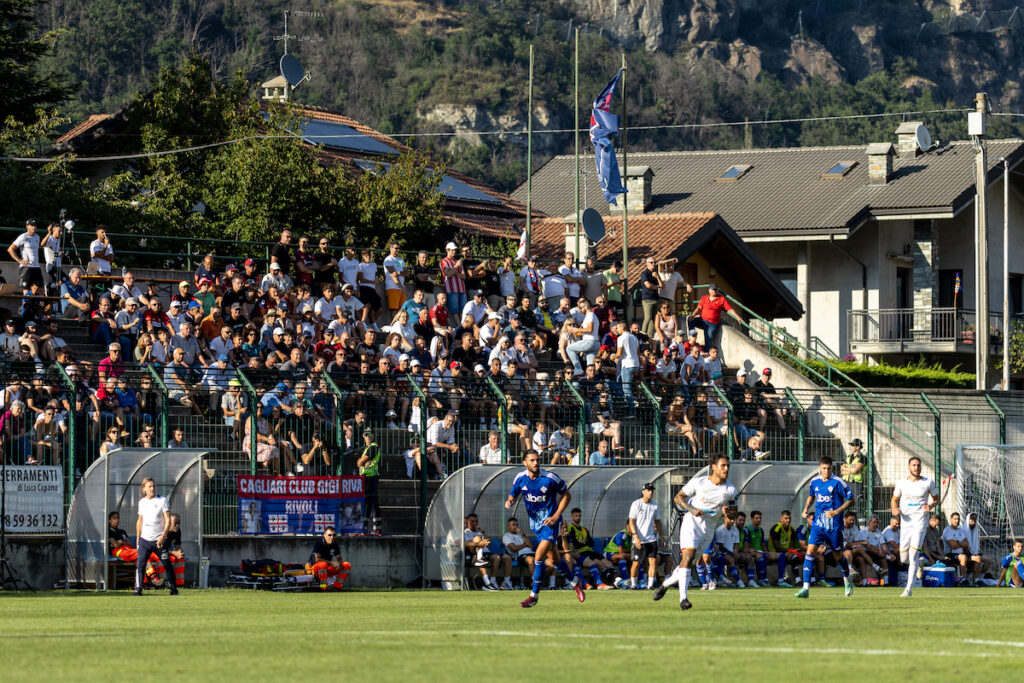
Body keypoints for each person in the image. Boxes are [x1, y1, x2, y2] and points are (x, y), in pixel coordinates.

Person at [655, 454, 738, 610]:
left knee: (688, 564)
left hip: (709, 529)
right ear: (713, 467)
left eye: (728, 466)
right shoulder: (698, 482)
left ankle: (665, 584)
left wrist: (729, 514)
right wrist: (692, 510)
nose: (726, 469)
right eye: (723, 465)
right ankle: (683, 599)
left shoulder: (731, 490)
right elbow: (678, 498)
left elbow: (734, 513)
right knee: (688, 555)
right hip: (691, 523)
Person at [505, 449, 585, 607]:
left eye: (537, 460)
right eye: (532, 460)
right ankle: (575, 582)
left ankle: (534, 595)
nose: (536, 463)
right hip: (535, 524)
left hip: (551, 522)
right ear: (525, 462)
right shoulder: (520, 478)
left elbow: (567, 496)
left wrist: (556, 516)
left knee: (539, 555)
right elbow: (512, 493)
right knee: (555, 559)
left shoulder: (549, 478)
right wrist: (510, 501)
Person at [794, 455, 854, 598]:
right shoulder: (814, 482)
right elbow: (811, 496)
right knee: (810, 550)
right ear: (819, 468)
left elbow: (851, 500)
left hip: (834, 526)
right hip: (818, 524)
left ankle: (847, 579)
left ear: (832, 468)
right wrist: (806, 508)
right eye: (824, 468)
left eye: (829, 468)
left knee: (838, 555)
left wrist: (836, 511)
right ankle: (805, 589)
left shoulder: (838, 482)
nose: (826, 471)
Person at [890, 455, 939, 597]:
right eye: (914, 465)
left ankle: (908, 589)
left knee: (913, 554)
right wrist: (894, 509)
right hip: (906, 522)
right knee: (904, 558)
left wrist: (930, 505)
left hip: (920, 522)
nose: (916, 468)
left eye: (918, 465)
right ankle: (920, 562)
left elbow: (936, 500)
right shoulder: (901, 483)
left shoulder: (928, 482)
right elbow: (894, 500)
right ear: (908, 467)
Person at [134, 477, 178, 596]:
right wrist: (138, 538)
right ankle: (138, 589)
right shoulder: (141, 502)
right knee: (140, 565)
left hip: (159, 540)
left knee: (166, 564)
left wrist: (163, 536)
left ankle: (174, 590)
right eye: (149, 486)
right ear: (144, 489)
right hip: (144, 540)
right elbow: (140, 520)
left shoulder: (162, 500)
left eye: (153, 486)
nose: (152, 488)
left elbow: (168, 519)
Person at [627, 483, 662, 589]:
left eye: (652, 490)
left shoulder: (655, 505)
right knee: (636, 563)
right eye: (648, 490)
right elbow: (631, 521)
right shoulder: (636, 504)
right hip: (639, 540)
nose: (651, 492)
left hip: (651, 539)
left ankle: (650, 585)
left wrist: (662, 536)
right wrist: (636, 536)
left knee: (653, 561)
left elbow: (658, 522)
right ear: (643, 492)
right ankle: (633, 584)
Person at [689, 283, 742, 350]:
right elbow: (698, 308)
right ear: (709, 290)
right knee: (690, 321)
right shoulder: (704, 298)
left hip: (712, 323)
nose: (714, 291)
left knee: (708, 341)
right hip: (702, 320)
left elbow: (729, 309)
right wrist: (693, 315)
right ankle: (692, 339)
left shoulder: (721, 299)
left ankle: (707, 355)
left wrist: (738, 317)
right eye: (713, 289)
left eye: (716, 289)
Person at [357, 428, 382, 535]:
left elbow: (359, 463)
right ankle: (376, 528)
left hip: (371, 477)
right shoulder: (365, 448)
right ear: (363, 435)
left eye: (370, 434)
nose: (368, 436)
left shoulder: (373, 447)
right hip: (366, 477)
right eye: (366, 434)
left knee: (369, 502)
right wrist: (361, 462)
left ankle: (366, 527)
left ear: (373, 435)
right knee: (373, 502)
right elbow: (360, 463)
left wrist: (361, 462)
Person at [8, 218, 43, 292]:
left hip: (36, 266)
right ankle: (25, 303)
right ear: (27, 226)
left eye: (35, 226)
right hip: (26, 267)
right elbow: (10, 249)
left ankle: (39, 303)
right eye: (32, 225)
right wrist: (19, 260)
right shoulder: (23, 237)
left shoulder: (37, 237)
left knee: (41, 290)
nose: (34, 227)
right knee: (26, 289)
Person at [841, 438, 866, 516]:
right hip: (846, 483)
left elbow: (855, 470)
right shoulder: (848, 457)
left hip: (856, 484)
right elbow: (842, 470)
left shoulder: (862, 458)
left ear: (857, 447)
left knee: (858, 505)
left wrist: (847, 469)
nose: (850, 447)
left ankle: (862, 525)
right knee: (845, 504)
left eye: (852, 445)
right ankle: (845, 524)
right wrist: (851, 470)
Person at [941, 511, 970, 578]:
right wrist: (962, 543)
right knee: (963, 557)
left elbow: (967, 544)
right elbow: (953, 546)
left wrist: (958, 542)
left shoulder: (961, 530)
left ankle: (978, 580)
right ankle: (962, 579)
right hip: (950, 554)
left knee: (977, 558)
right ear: (951, 520)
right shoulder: (947, 530)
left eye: (958, 519)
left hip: (961, 553)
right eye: (955, 519)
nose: (957, 521)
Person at [639, 257, 660, 338]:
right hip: (647, 299)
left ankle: (649, 337)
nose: (653, 264)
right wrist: (658, 287)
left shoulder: (655, 273)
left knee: (653, 319)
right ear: (647, 264)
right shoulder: (644, 273)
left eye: (655, 262)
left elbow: (663, 285)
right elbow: (648, 285)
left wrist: (657, 277)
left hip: (655, 298)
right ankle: (642, 335)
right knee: (647, 318)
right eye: (651, 262)